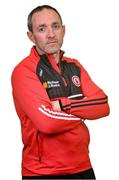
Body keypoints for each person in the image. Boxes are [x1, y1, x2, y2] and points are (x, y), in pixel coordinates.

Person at [11, 5, 110, 179]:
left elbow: (102, 105)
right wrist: (85, 111)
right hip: (43, 172)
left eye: (55, 26)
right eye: (42, 29)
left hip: (83, 166)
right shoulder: (24, 71)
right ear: (31, 36)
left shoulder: (74, 66)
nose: (50, 34)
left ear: (63, 30)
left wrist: (63, 106)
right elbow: (46, 122)